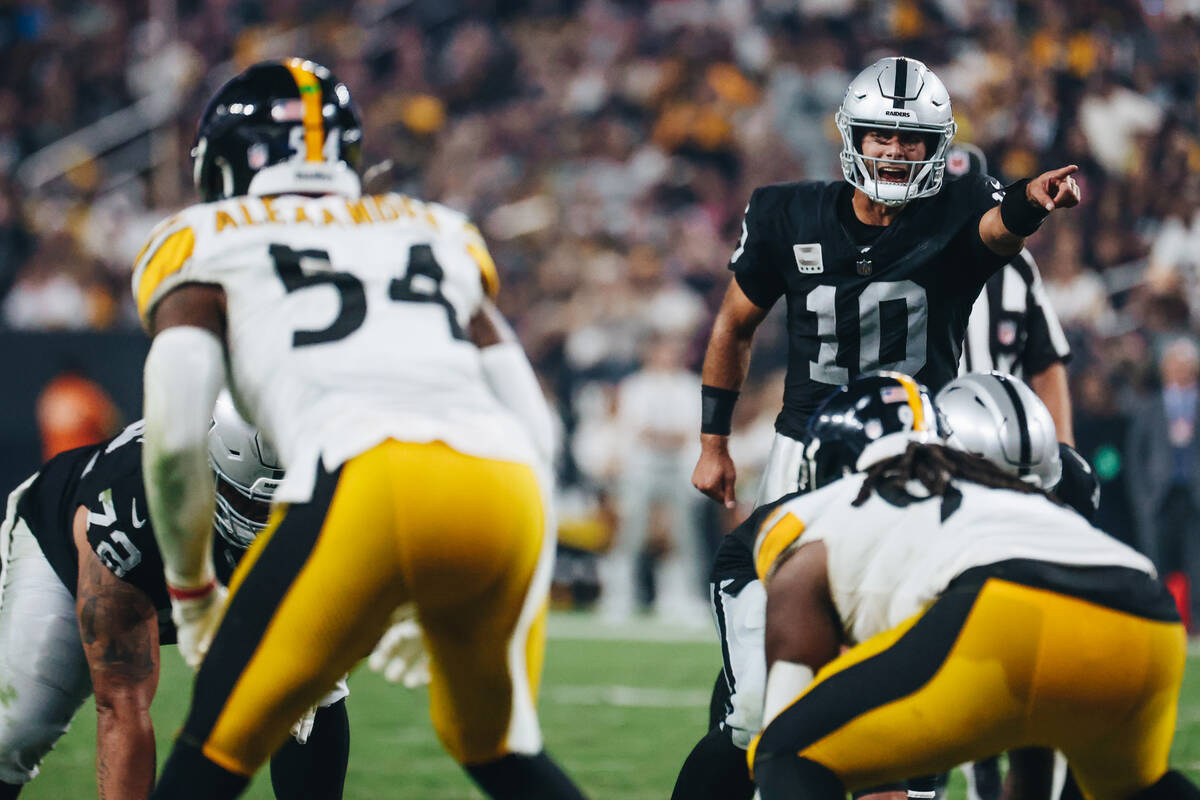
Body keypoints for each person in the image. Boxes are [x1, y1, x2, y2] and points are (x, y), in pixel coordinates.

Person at [132, 59, 583, 800]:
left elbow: (178, 431)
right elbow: (532, 422)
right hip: (504, 489)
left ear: (225, 162)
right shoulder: (434, 227)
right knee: (501, 751)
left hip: (364, 478)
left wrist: (191, 590)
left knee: (210, 756)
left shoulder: (207, 236)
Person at [748, 374, 1198, 800]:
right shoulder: (997, 489)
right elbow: (1034, 715)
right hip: (1147, 613)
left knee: (785, 752)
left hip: (1005, 609)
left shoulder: (810, 520)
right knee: (1135, 790)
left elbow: (784, 725)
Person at [672, 370, 1092, 800]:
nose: (1006, 502)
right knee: (757, 715)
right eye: (992, 486)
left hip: (887, 589)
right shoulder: (886, 514)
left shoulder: (1063, 486)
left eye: (1024, 492)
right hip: (778, 569)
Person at [692, 55, 1081, 511]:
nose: (895, 151)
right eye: (881, 135)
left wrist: (1031, 204)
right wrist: (713, 444)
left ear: (936, 147)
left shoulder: (956, 206)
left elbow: (997, 227)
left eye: (912, 139)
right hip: (805, 442)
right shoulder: (787, 213)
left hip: (917, 449)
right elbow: (734, 326)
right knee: (773, 578)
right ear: (853, 135)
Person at [0, 399, 349, 800]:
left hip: (213, 562)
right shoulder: (132, 505)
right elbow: (121, 704)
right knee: (19, 729)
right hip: (75, 553)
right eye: (245, 501)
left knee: (314, 691)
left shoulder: (333, 485)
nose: (258, 520)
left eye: (276, 503)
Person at [947, 143, 1075, 447]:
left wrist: (1064, 449)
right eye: (948, 198)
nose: (957, 211)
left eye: (967, 198)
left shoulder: (1017, 267)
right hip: (926, 442)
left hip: (1002, 444)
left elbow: (1046, 363)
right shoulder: (906, 257)